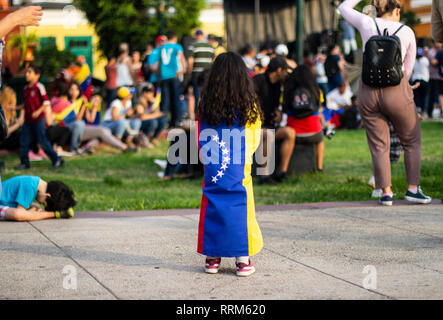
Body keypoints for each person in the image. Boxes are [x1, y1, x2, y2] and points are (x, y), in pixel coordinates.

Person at [338, 0, 432, 206]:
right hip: (396, 91)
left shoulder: (367, 23)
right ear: (397, 10)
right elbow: (407, 69)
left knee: (379, 144)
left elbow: (343, 8)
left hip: (368, 91)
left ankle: (386, 193)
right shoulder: (407, 31)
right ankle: (413, 189)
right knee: (411, 139)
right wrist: (404, 87)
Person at [197, 52, 263, 277]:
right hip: (238, 166)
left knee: (213, 202)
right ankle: (242, 260)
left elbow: (200, 136)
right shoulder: (248, 107)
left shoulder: (206, 105)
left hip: (214, 165)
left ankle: (212, 259)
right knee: (242, 206)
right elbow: (254, 139)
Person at [253, 56, 296, 183]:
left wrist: (278, 113)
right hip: (255, 127)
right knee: (268, 134)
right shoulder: (257, 81)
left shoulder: (277, 86)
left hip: (269, 124)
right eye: (285, 71)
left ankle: (281, 172)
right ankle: (264, 176)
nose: (286, 74)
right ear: (278, 70)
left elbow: (276, 107)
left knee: (290, 133)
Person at [15, 65, 64, 170]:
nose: (26, 74)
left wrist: (38, 111)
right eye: (26, 72)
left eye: (29, 72)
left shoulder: (39, 87)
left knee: (42, 141)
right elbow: (26, 104)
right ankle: (25, 163)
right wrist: (15, 107)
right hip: (28, 120)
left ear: (37, 75)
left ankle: (57, 159)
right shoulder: (25, 89)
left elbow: (46, 102)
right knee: (24, 141)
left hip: (38, 120)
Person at [284, 65, 326, 172]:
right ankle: (319, 167)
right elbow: (319, 108)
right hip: (314, 134)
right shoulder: (316, 91)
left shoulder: (288, 92)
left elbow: (284, 109)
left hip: (294, 133)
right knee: (321, 140)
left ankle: (284, 169)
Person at [0, 175, 75, 222]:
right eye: (44, 204)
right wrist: (52, 214)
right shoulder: (30, 186)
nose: (41, 203)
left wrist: (32, 208)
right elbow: (18, 214)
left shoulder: (34, 182)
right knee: (19, 214)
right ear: (47, 195)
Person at [159, 31, 186, 127]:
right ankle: (177, 120)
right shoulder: (177, 46)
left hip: (164, 75)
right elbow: (181, 57)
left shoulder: (162, 47)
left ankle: (164, 121)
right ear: (175, 38)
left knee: (165, 99)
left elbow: (160, 62)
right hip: (174, 74)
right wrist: (183, 69)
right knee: (176, 98)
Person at [187, 29, 215, 114]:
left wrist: (189, 73)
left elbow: (190, 61)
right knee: (208, 95)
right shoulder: (210, 46)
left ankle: (197, 117)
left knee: (197, 96)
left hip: (197, 74)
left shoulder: (193, 46)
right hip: (208, 74)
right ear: (203, 36)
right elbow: (213, 60)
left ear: (196, 36)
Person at [0, 87, 24, 156]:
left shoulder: (10, 112)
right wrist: (18, 123)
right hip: (4, 141)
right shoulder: (3, 112)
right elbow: (5, 132)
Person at [411, 48, 430, 115]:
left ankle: (418, 108)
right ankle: (424, 109)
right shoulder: (425, 60)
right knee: (425, 96)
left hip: (416, 79)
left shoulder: (414, 61)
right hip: (424, 80)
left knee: (417, 95)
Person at [426, 41, 442, 119]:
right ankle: (430, 112)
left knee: (439, 95)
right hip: (433, 76)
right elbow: (433, 62)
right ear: (433, 43)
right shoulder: (431, 52)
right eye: (437, 42)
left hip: (440, 77)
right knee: (432, 95)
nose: (439, 44)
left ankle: (440, 111)